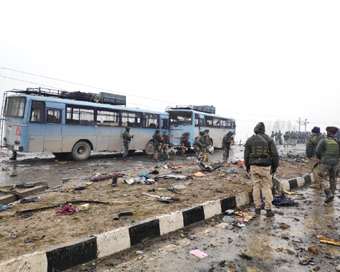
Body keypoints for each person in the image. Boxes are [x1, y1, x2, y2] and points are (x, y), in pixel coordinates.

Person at [244, 122, 279, 217]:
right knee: (267, 187)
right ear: (264, 130)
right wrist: (275, 167)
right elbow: (275, 155)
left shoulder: (249, 140)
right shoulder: (269, 139)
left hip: (254, 167)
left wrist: (247, 167)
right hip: (266, 167)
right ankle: (268, 209)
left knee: (256, 187)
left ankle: (257, 208)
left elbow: (246, 156)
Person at [315, 126, 340, 203]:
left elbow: (317, 151)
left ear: (328, 132)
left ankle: (328, 193)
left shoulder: (323, 140)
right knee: (333, 178)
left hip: (325, 162)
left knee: (323, 177)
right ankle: (332, 193)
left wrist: (319, 158)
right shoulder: (338, 141)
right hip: (335, 163)